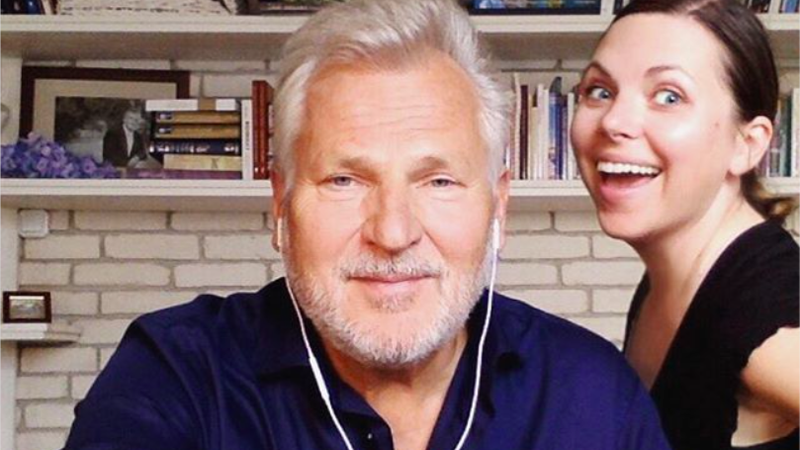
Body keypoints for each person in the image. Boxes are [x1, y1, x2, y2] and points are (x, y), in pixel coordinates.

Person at [63, 1, 670, 449]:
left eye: (438, 181)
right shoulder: (178, 374)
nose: (393, 232)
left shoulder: (593, 395)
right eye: (344, 181)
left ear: (499, 208)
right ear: (281, 204)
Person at [570, 0, 799, 449]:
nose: (614, 121)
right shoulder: (673, 277)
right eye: (599, 90)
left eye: (669, 96)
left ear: (747, 144)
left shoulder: (766, 327)